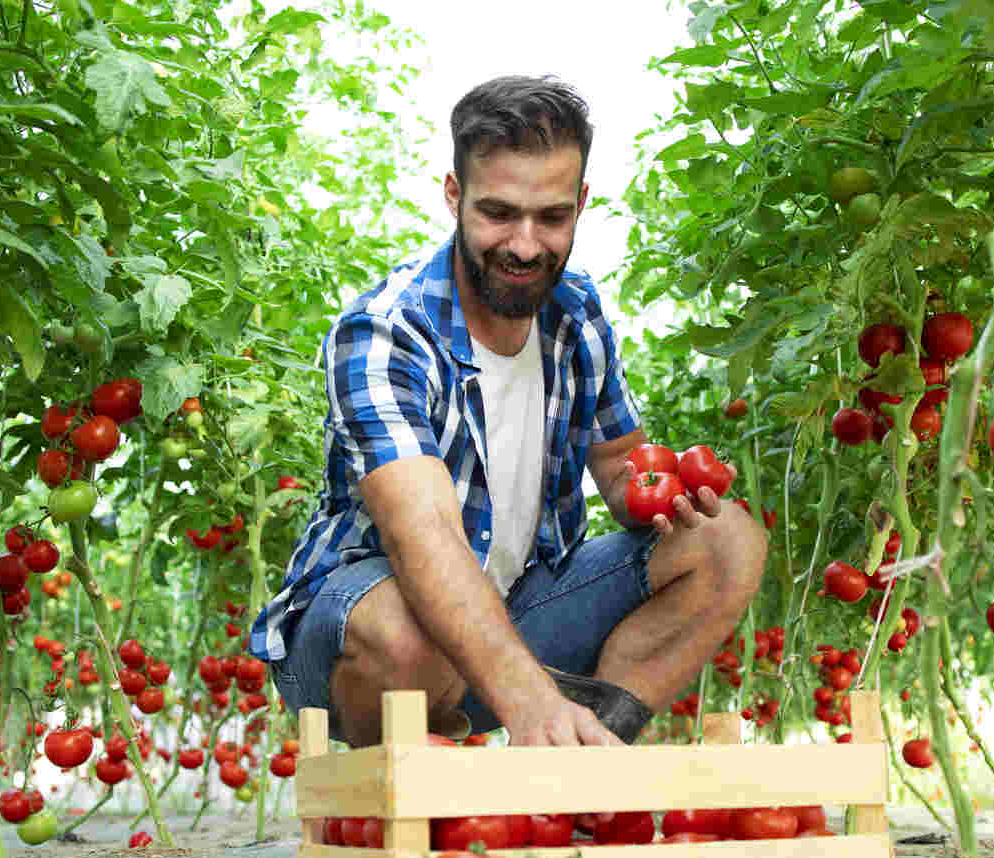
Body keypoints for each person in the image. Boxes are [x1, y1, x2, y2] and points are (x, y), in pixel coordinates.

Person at [251, 75, 767, 748]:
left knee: (729, 541)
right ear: (454, 195)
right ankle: (444, 768)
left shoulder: (575, 314)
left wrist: (666, 497)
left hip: (518, 614)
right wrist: (528, 699)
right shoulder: (386, 331)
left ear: (581, 204)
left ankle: (585, 762)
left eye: (551, 217)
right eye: (499, 213)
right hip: (362, 628)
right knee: (407, 630)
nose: (525, 245)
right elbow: (422, 534)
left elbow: (619, 463)